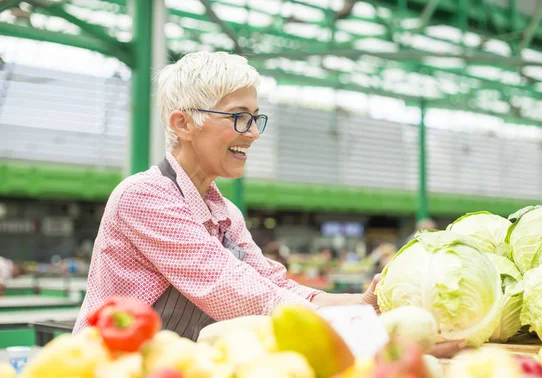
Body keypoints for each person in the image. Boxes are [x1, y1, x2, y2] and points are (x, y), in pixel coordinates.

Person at [73, 52, 461, 358]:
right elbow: (237, 294)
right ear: (183, 124)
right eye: (240, 118)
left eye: (257, 118)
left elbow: (272, 284)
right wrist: (369, 331)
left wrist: (361, 304)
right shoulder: (144, 197)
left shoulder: (224, 213)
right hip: (107, 377)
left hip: (170, 372)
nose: (254, 133)